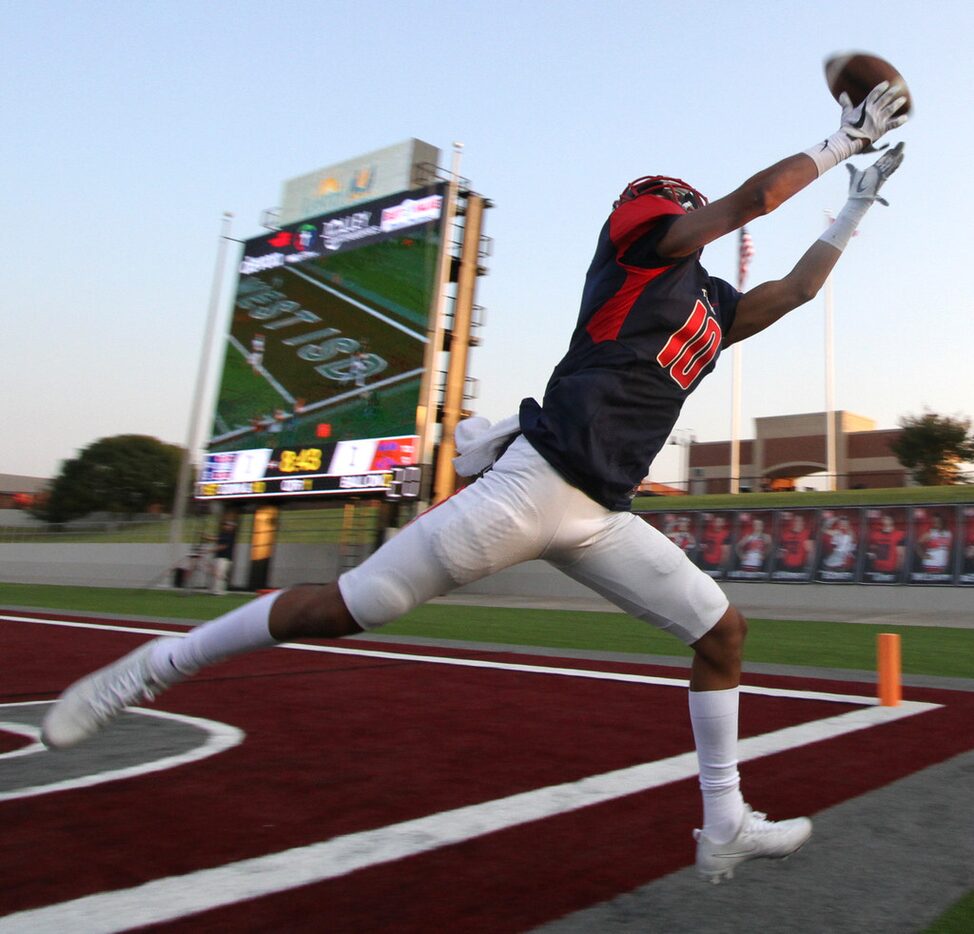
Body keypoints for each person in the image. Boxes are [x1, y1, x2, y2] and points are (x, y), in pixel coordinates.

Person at [42, 82, 908, 884]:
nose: (687, 211)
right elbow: (751, 202)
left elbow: (793, 290)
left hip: (603, 514)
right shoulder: (637, 247)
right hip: (531, 486)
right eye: (683, 204)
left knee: (722, 633)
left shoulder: (709, 306)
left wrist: (858, 205)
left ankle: (722, 822)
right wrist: (843, 140)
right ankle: (145, 670)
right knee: (352, 606)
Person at [208, 518, 238, 596]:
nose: (227, 526)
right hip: (219, 557)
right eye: (226, 525)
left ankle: (218, 591)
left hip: (224, 558)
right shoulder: (223, 534)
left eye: (229, 525)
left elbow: (223, 546)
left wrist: (210, 550)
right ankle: (216, 590)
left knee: (220, 574)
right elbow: (216, 539)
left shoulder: (230, 535)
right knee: (218, 574)